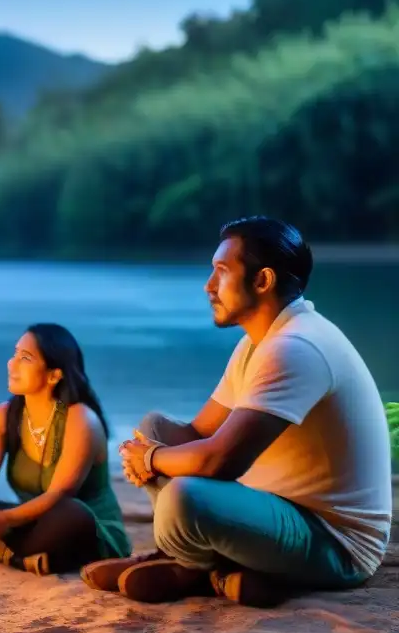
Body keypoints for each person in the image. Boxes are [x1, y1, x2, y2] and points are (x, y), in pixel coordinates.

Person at [82, 216, 393, 607]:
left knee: (184, 496)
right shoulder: (259, 342)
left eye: (222, 271)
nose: (208, 286)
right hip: (280, 512)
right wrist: (151, 449)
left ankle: (192, 566)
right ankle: (206, 565)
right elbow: (200, 432)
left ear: (263, 281)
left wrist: (152, 460)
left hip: (336, 542)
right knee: (154, 427)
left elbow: (220, 462)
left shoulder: (296, 346)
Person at [0, 323, 131, 575]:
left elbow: (59, 494)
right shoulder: (4, 415)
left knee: (72, 512)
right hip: (26, 525)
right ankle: (19, 555)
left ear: (54, 375)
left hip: (83, 529)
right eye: (14, 354)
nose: (12, 364)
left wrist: (5, 521)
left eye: (26, 358)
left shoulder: (80, 419)